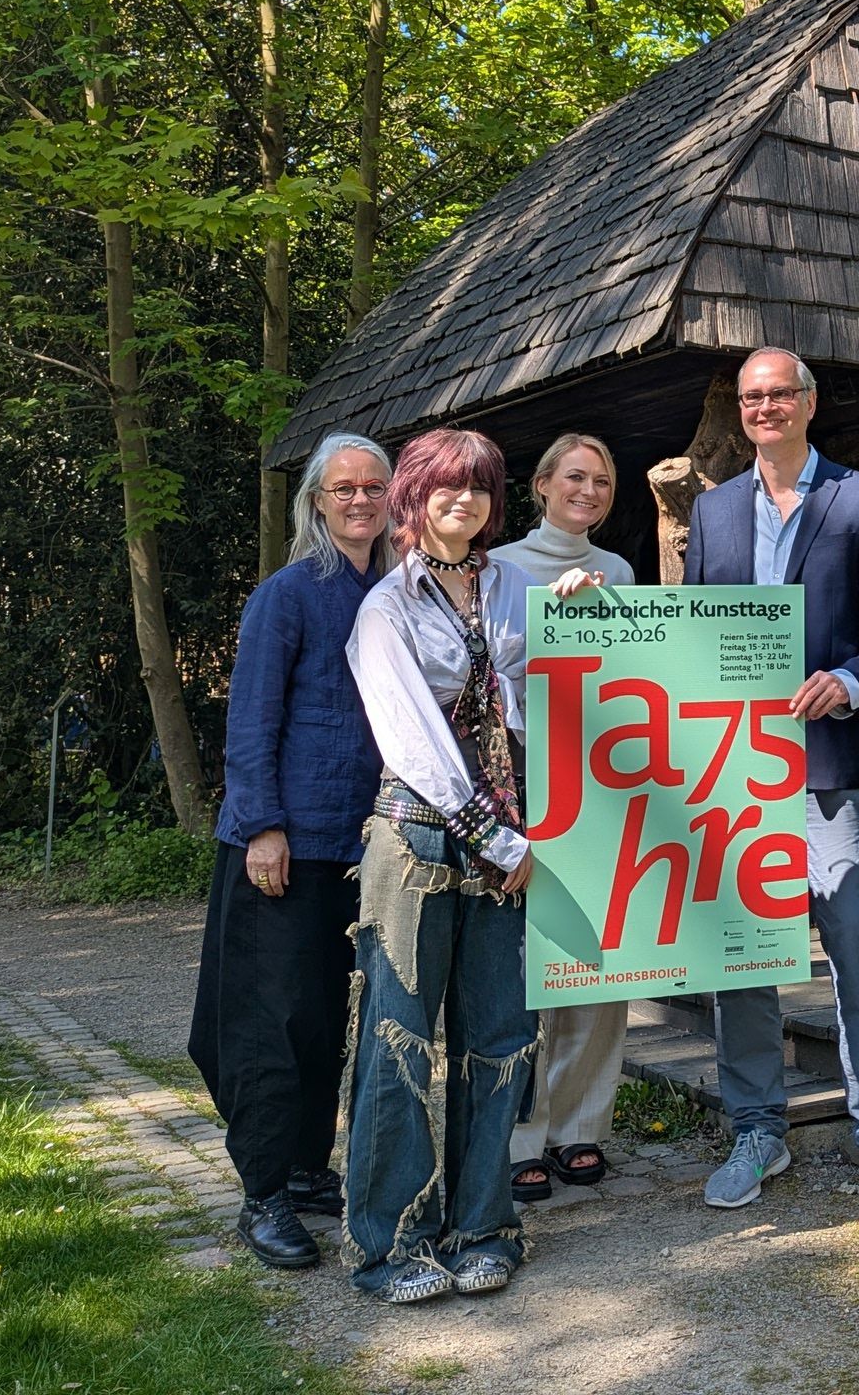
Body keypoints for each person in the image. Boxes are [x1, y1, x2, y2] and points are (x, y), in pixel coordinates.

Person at [684, 347, 859, 1219]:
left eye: (779, 393)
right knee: (742, 951)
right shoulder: (710, 513)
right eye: (751, 398)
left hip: (824, 765)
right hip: (732, 770)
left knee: (856, 944)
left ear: (809, 403)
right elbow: (687, 633)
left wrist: (852, 681)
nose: (765, 408)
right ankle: (758, 1128)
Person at [343, 427, 539, 1305]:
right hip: (421, 839)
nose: (463, 501)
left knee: (498, 1038)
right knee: (400, 1039)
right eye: (445, 488)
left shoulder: (514, 589)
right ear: (413, 501)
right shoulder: (385, 607)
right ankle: (392, 1243)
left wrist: (584, 616)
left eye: (480, 488)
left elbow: (556, 698)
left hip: (515, 843)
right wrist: (500, 840)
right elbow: (412, 741)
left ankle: (485, 1227)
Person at [190, 432, 393, 1271]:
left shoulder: (390, 592)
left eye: (372, 487)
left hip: (363, 841)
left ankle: (309, 1166)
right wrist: (263, 824)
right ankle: (263, 1193)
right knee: (270, 1024)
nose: (358, 500)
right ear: (317, 501)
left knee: (325, 1022)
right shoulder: (288, 594)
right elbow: (252, 719)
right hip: (283, 844)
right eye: (342, 488)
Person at [494, 432, 636, 1204]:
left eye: (603, 481)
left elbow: (629, 671)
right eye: (575, 477)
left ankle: (580, 1130)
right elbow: (490, 673)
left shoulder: (617, 571)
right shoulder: (501, 565)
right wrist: (548, 617)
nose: (589, 490)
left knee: (595, 966)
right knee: (522, 972)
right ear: (543, 484)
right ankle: (518, 1135)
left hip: (598, 789)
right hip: (519, 787)